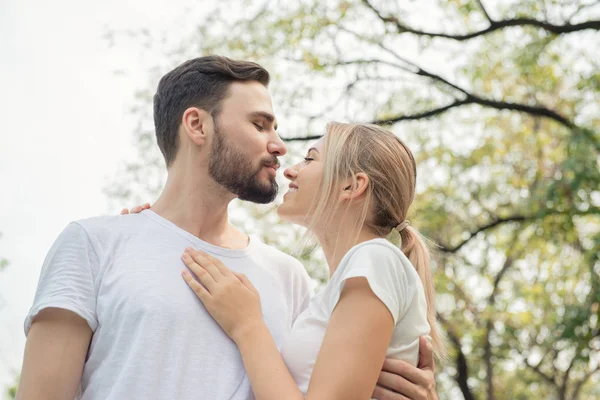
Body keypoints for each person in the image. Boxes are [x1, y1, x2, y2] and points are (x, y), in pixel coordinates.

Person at [18, 56, 438, 400]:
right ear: (197, 125)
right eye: (260, 124)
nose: (279, 146)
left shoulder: (289, 278)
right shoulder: (94, 244)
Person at [174, 122, 445, 400]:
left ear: (352, 185)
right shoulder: (338, 289)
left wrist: (248, 326)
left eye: (310, 159)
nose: (290, 169)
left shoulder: (376, 260)